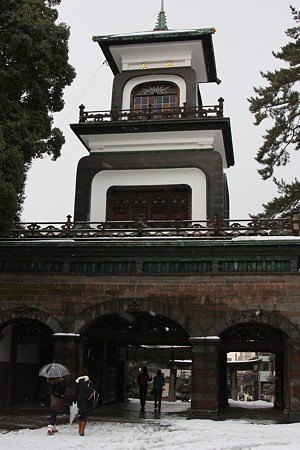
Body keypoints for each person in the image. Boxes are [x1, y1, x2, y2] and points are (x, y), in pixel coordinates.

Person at [74, 368, 94, 436]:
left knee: (81, 414)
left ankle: (80, 429)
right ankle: (82, 431)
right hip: (86, 400)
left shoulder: (77, 382)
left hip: (79, 400)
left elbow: (75, 392)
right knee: (85, 415)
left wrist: (74, 400)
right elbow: (92, 391)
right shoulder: (88, 381)